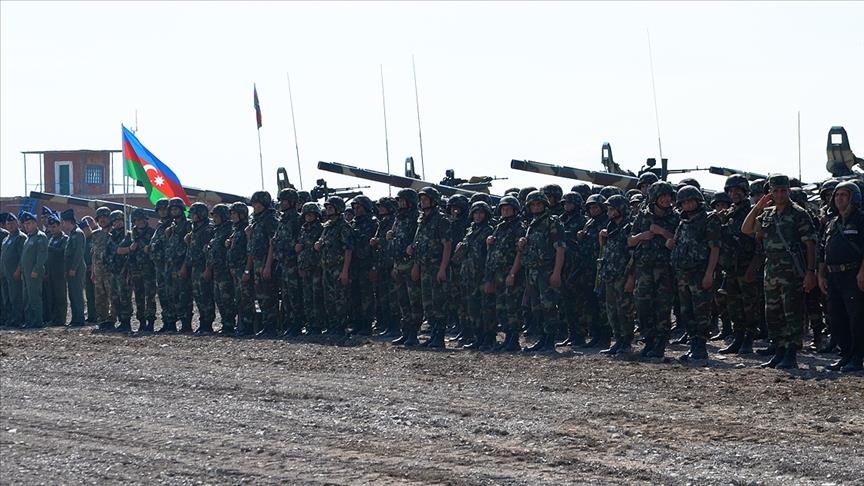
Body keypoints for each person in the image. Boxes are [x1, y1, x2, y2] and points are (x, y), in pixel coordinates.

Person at [742, 174, 818, 369]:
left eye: (783, 190)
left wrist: (810, 271)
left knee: (792, 312)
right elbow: (747, 229)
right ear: (770, 192)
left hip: (792, 271)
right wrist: (758, 206)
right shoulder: (767, 213)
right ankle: (779, 351)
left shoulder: (799, 213)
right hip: (771, 270)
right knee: (773, 313)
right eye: (775, 191)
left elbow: (810, 244)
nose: (780, 194)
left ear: (788, 191)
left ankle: (791, 353)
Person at [668, 186, 721, 361]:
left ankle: (701, 346)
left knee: (701, 311)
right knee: (686, 311)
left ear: (698, 201)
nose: (688, 205)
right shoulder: (683, 222)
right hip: (683, 273)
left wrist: (709, 273)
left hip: (700, 272)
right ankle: (693, 344)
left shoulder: (709, 219)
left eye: (691, 201)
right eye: (684, 202)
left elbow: (715, 248)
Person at [628, 181, 680, 359]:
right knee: (643, 305)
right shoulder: (642, 216)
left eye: (668, 196)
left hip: (664, 269)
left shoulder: (675, 217)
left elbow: (680, 240)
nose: (666, 199)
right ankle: (649, 340)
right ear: (654, 198)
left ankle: (660, 344)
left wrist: (662, 232)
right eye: (662, 196)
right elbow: (630, 240)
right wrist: (641, 236)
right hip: (644, 268)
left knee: (663, 307)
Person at [818, 181, 864, 372]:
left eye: (844, 195)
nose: (839, 198)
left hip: (853, 275)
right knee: (836, 317)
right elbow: (823, 250)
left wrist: (862, 272)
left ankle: (857, 357)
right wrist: (821, 275)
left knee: (856, 318)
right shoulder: (832, 223)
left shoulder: (860, 220)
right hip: (833, 276)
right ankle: (846, 355)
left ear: (854, 198)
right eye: (837, 195)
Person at [512, 191, 566, 353]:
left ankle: (549, 340)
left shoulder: (552, 222)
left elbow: (560, 248)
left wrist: (556, 272)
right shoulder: (532, 224)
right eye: (533, 205)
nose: (536, 207)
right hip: (532, 271)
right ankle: (542, 338)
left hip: (546, 271)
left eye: (539, 204)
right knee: (536, 307)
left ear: (544, 205)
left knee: (549, 306)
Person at [716, 175, 762, 355]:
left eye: (737, 190)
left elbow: (759, 243)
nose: (734, 194)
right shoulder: (729, 213)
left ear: (745, 191)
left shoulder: (752, 212)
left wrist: (753, 266)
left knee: (749, 305)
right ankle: (738, 337)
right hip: (731, 268)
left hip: (746, 265)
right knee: (733, 305)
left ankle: (749, 338)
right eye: (731, 191)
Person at [409, 187, 452, 348]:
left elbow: (447, 245)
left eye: (426, 199)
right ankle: (433, 334)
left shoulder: (441, 220)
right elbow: (418, 244)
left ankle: (439, 337)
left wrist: (442, 268)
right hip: (424, 267)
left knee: (439, 303)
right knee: (428, 304)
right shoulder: (422, 220)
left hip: (436, 266)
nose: (423, 202)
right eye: (421, 199)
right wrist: (415, 263)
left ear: (434, 201)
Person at [483, 196, 525, 352]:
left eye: (508, 209)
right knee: (501, 307)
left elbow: (520, 253)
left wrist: (512, 273)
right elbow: (492, 252)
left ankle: (514, 339)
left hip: (511, 272)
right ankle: (507, 337)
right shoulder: (499, 227)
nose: (505, 211)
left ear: (515, 210)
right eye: (503, 209)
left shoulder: (519, 227)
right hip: (498, 273)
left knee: (512, 306)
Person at [454, 201, 495, 349]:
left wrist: (489, 277)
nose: (478, 216)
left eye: (481, 213)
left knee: (485, 308)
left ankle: (488, 338)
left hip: (482, 274)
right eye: (476, 213)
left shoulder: (489, 230)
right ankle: (478, 337)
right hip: (468, 274)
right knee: (472, 308)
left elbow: (491, 255)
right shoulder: (470, 231)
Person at [598, 195, 635, 355]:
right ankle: (618, 340)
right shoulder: (611, 227)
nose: (609, 212)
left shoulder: (629, 227)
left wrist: (631, 278)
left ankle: (626, 342)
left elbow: (634, 255)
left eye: (612, 209)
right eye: (608, 209)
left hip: (623, 275)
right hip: (610, 274)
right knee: (611, 310)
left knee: (624, 311)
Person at [314, 196, 354, 336]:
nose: (328, 210)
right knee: (329, 298)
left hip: (338, 267)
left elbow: (348, 249)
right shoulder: (327, 227)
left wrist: (345, 271)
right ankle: (332, 325)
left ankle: (341, 326)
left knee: (340, 298)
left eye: (331, 208)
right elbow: (321, 242)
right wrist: (318, 244)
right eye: (327, 208)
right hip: (327, 267)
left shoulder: (343, 227)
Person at [388, 189, 422, 346]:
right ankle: (406, 331)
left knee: (414, 300)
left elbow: (419, 240)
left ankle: (414, 333)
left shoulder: (416, 217)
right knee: (402, 300)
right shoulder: (398, 217)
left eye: (403, 200)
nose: (401, 203)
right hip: (399, 263)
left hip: (410, 263)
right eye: (399, 200)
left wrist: (416, 264)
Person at [246, 191, 278, 337]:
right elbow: (253, 246)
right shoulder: (256, 221)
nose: (254, 206)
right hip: (257, 263)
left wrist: (268, 265)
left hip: (266, 262)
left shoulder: (270, 220)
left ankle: (271, 326)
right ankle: (265, 325)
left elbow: (272, 244)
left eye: (257, 204)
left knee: (268, 295)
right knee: (260, 296)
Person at [270, 188, 302, 337]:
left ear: (292, 202)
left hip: (293, 263)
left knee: (294, 295)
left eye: (284, 201)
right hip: (283, 263)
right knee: (286, 295)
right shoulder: (282, 220)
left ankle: (296, 324)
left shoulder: (297, 219)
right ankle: (289, 323)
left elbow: (301, 241)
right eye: (281, 200)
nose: (281, 203)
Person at [184, 202, 215, 334]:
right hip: (195, 268)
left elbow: (209, 251)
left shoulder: (207, 230)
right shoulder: (195, 230)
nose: (192, 216)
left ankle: (207, 324)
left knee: (206, 296)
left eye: (194, 214)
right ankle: (203, 323)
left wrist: (208, 269)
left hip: (203, 267)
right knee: (198, 296)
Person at [165, 197, 193, 333]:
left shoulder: (188, 225)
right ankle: (171, 323)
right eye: (172, 209)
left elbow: (190, 247)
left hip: (182, 265)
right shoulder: (172, 227)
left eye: (176, 209)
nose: (174, 211)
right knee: (171, 295)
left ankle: (186, 324)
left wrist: (185, 266)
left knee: (184, 296)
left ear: (181, 210)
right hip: (171, 266)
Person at [296, 202, 324, 335]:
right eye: (306, 214)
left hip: (317, 267)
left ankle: (318, 325)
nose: (308, 217)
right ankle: (310, 324)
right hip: (305, 266)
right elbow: (301, 247)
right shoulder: (303, 229)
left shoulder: (321, 228)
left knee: (317, 297)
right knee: (307, 297)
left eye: (311, 214)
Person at [126, 208, 156, 332]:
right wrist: (130, 248)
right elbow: (123, 250)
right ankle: (141, 321)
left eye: (142, 219)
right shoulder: (131, 234)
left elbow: (156, 248)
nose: (140, 222)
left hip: (149, 269)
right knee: (138, 296)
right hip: (135, 270)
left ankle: (151, 321)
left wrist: (149, 249)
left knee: (150, 296)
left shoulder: (152, 233)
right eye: (137, 220)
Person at [208, 204, 236, 335]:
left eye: (217, 216)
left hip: (225, 270)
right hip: (217, 269)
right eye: (213, 216)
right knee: (219, 298)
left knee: (227, 298)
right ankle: (225, 323)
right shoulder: (217, 230)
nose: (214, 219)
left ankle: (230, 324)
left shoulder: (229, 229)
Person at [228, 202, 254, 336]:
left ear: (242, 214)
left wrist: (247, 270)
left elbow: (250, 251)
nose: (232, 216)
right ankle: (241, 326)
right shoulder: (236, 230)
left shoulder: (246, 230)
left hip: (244, 269)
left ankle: (248, 327)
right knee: (238, 299)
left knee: (246, 299)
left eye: (234, 213)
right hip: (236, 270)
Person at [104, 210, 133, 332]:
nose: (117, 223)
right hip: (114, 271)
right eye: (115, 221)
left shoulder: (128, 235)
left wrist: (126, 250)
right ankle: (120, 320)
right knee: (115, 297)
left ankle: (126, 322)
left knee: (125, 296)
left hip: (124, 270)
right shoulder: (111, 236)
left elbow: (124, 250)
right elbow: (109, 252)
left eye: (119, 220)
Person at [19, 211, 48, 329]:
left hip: (34, 272)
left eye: (29, 223)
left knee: (34, 297)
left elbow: (42, 255)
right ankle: (29, 320)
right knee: (27, 297)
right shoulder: (28, 238)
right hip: (26, 273)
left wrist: (36, 269)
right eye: (25, 224)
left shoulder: (40, 237)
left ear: (35, 223)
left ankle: (37, 321)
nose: (27, 226)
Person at [148, 198, 172, 332]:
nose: (162, 212)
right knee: (162, 294)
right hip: (159, 265)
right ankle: (166, 321)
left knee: (171, 293)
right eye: (160, 210)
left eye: (164, 209)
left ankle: (172, 322)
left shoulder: (172, 225)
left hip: (168, 264)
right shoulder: (160, 226)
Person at [90, 207, 115, 330]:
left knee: (112, 295)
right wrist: (93, 271)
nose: (103, 220)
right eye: (100, 218)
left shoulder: (115, 233)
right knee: (100, 297)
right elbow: (94, 254)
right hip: (98, 271)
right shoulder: (95, 234)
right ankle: (102, 319)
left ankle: (112, 319)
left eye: (105, 217)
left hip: (111, 271)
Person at [60, 209, 86, 327]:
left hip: (76, 269)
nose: (63, 225)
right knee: (72, 294)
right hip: (71, 269)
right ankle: (75, 318)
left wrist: (73, 268)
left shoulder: (78, 234)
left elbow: (78, 253)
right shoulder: (73, 234)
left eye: (63, 222)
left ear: (68, 221)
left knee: (77, 294)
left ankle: (79, 318)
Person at [44, 210, 68, 326]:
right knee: (51, 296)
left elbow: (62, 252)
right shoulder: (51, 239)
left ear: (59, 226)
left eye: (54, 227)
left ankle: (61, 318)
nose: (52, 229)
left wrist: (49, 249)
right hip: (50, 271)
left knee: (60, 296)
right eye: (50, 227)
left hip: (59, 271)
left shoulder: (64, 238)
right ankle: (54, 318)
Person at [1, 214, 25, 327]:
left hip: (14, 272)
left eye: (12, 223)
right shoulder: (6, 238)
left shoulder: (20, 237)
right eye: (8, 224)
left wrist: (18, 270)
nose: (10, 226)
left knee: (15, 297)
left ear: (17, 223)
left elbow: (22, 256)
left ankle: (17, 319)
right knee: (6, 297)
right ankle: (9, 318)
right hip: (4, 273)